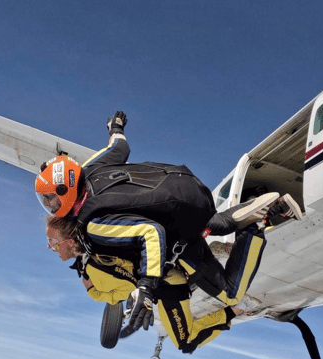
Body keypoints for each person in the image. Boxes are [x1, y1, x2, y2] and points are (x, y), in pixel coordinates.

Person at [36, 111, 302, 333]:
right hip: (191, 185)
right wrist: (116, 126)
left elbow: (151, 234)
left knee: (229, 292)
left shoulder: (92, 225)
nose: (49, 205)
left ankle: (257, 223)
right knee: (207, 222)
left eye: (50, 199)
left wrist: (146, 288)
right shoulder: (90, 169)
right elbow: (119, 147)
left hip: (183, 225)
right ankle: (254, 207)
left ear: (65, 191)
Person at [46, 216, 236, 353]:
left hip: (167, 285)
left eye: (52, 241)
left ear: (70, 243)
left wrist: (93, 292)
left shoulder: (93, 267)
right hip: (165, 279)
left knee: (186, 342)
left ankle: (231, 313)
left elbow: (129, 287)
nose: (50, 246)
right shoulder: (96, 243)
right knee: (184, 340)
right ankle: (228, 312)